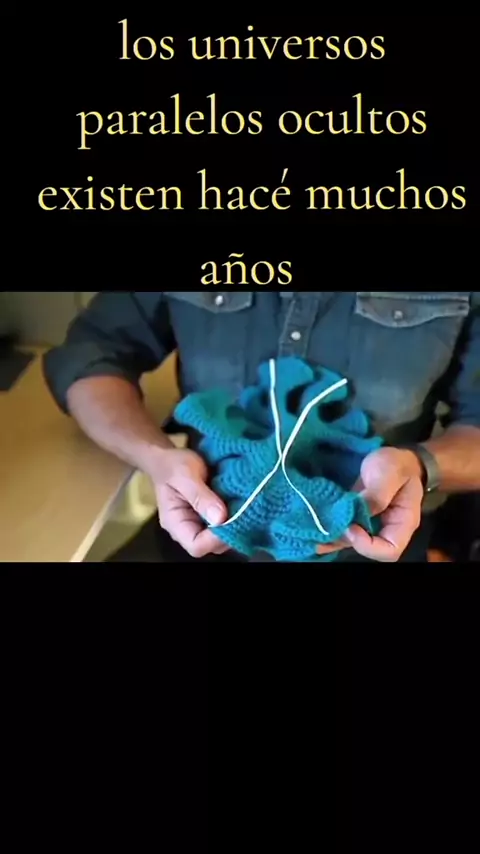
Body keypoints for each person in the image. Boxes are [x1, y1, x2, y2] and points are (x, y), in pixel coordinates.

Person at [43, 291, 480, 563]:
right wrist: (156, 458)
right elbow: (90, 355)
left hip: (373, 546)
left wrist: (419, 466)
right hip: (197, 536)